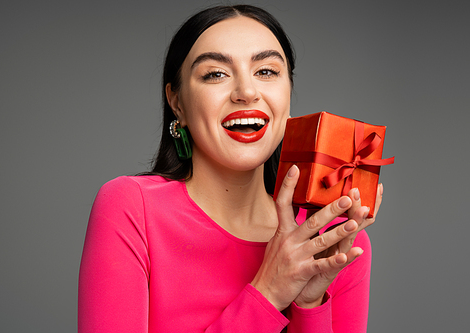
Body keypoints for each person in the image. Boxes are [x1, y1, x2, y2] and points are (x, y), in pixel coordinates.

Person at [78, 5, 382, 332]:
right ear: (176, 101)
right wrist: (269, 293)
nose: (247, 92)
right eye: (215, 74)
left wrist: (309, 305)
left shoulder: (336, 241)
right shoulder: (131, 208)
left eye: (266, 71)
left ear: (288, 95)